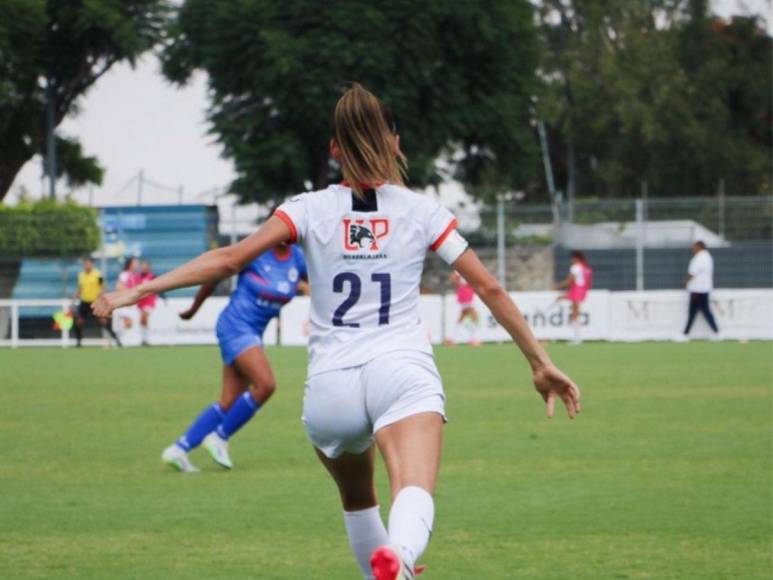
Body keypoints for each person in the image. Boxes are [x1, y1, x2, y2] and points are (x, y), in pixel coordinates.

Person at [94, 84, 581, 580]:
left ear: (333, 149)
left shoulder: (305, 209)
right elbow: (490, 288)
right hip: (400, 370)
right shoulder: (422, 212)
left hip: (330, 387)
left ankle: (387, 570)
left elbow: (227, 260)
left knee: (357, 499)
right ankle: (402, 554)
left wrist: (136, 292)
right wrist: (540, 362)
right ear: (395, 143)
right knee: (412, 489)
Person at [161, 243, 308, 472]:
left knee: (229, 402)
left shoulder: (297, 258)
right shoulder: (257, 249)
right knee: (265, 385)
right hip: (235, 326)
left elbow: (322, 282)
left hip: (253, 332)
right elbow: (217, 274)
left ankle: (178, 449)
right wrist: (194, 308)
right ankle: (219, 437)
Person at [74, 257, 122, 348]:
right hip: (84, 302)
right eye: (85, 264)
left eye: (88, 263)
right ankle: (78, 343)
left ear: (92, 264)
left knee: (103, 321)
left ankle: (117, 341)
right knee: (79, 322)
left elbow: (103, 287)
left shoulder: (97, 274)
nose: (87, 265)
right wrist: (73, 300)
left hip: (94, 302)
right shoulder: (81, 275)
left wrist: (101, 297)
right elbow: (79, 289)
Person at [679, 241, 720, 340]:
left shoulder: (699, 258)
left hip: (697, 289)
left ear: (699, 247)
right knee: (703, 311)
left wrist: (685, 280)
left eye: (694, 246)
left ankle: (685, 334)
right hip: (704, 288)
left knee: (695, 312)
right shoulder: (707, 257)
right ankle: (716, 332)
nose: (692, 248)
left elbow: (693, 272)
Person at [553, 251, 592, 344]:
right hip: (583, 291)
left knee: (575, 314)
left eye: (572, 258)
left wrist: (557, 286)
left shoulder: (575, 267)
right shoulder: (585, 268)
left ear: (576, 258)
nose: (571, 260)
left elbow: (570, 281)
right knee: (575, 314)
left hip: (576, 291)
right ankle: (576, 337)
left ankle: (576, 338)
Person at [446, 271, 480, 346]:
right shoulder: (461, 269)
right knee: (474, 316)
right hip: (466, 294)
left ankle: (452, 338)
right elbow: (453, 278)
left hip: (467, 293)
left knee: (462, 317)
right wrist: (463, 285)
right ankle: (473, 339)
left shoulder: (467, 269)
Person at [137, 260, 158, 346]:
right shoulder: (137, 277)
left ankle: (146, 339)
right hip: (140, 303)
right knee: (142, 321)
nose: (143, 267)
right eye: (142, 266)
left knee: (144, 318)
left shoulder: (152, 277)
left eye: (145, 266)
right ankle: (144, 339)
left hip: (149, 302)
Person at [116, 257, 140, 333]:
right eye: (135, 263)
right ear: (130, 264)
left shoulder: (136, 275)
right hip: (126, 302)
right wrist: (129, 294)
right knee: (127, 323)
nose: (137, 264)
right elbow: (119, 287)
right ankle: (120, 340)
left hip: (134, 302)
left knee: (131, 324)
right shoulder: (124, 274)